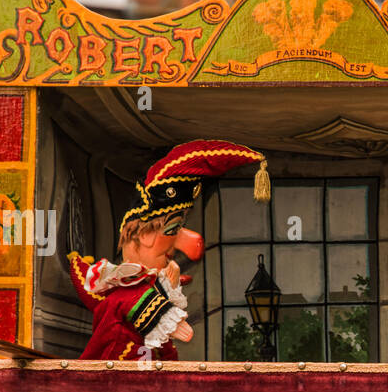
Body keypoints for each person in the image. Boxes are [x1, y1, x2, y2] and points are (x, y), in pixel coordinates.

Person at [67, 139, 270, 361]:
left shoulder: (147, 286)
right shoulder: (126, 290)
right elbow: (126, 301)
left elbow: (161, 347)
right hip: (116, 376)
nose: (184, 245)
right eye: (173, 229)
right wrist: (162, 314)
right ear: (145, 236)